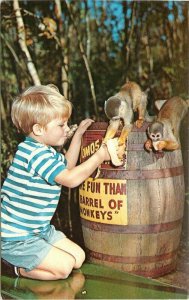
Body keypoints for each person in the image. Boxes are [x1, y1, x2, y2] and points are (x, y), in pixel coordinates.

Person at [1, 84, 111, 281]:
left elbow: (67, 166)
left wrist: (77, 136)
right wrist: (100, 156)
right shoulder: (33, 154)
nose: (66, 129)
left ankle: (31, 260)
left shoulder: (44, 150)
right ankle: (11, 266)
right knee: (64, 268)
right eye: (61, 125)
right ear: (38, 129)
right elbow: (70, 179)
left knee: (78, 258)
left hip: (39, 231)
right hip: (16, 239)